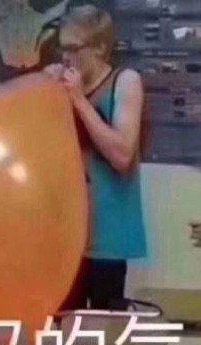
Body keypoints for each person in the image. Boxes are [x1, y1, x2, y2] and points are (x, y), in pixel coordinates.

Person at [44, 5, 147, 310]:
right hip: (64, 237)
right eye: (62, 49)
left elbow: (122, 155)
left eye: (73, 49)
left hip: (106, 239)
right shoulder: (60, 85)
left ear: (100, 47)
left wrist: (78, 100)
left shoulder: (125, 82)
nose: (66, 58)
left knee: (104, 331)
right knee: (61, 329)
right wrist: (44, 93)